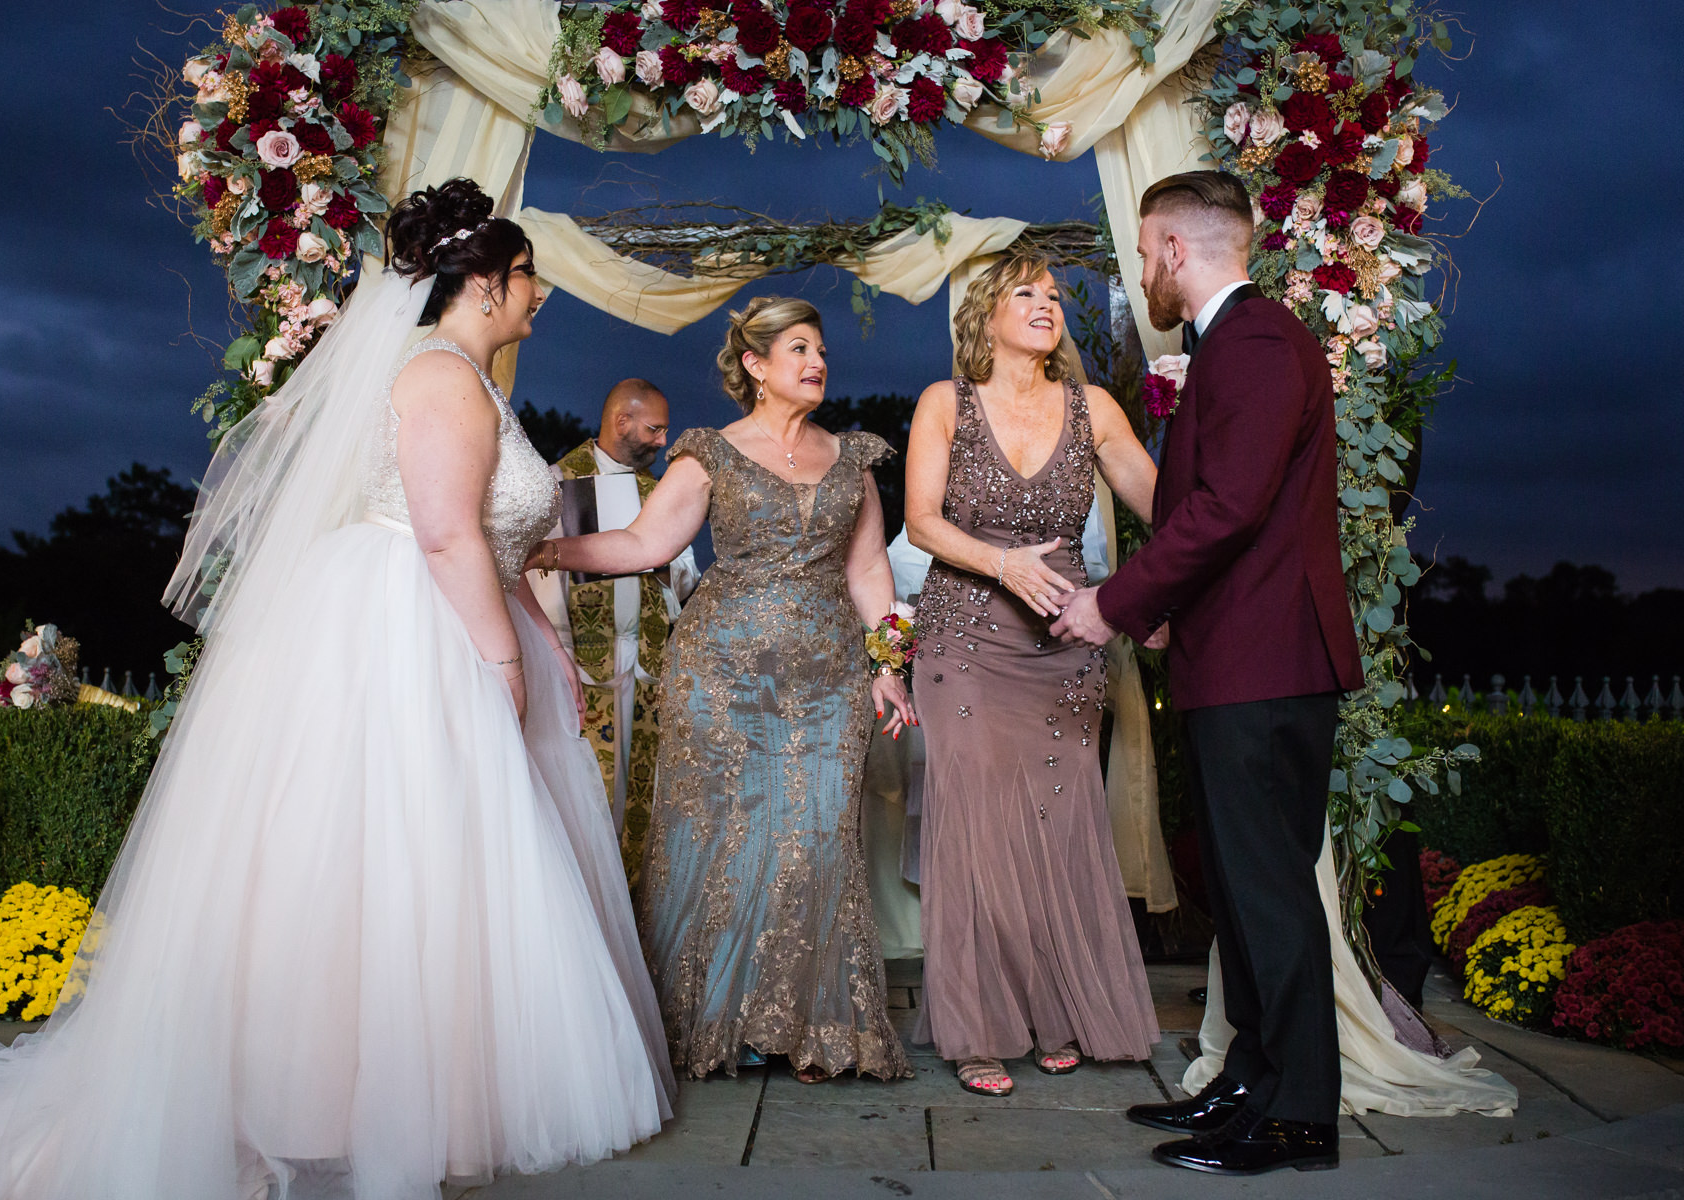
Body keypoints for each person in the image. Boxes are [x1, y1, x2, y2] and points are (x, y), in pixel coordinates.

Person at [0, 178, 674, 1197]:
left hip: (452, 613)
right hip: (408, 632)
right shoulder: (437, 378)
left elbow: (499, 533)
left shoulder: (477, 385)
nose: (538, 298)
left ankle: (440, 1090)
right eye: (529, 280)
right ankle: (333, 1099)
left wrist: (538, 633)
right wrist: (504, 660)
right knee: (383, 861)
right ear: (481, 284)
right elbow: (442, 533)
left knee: (442, 867)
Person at [1052, 169, 1365, 1175]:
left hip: (1267, 662)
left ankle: (1301, 1116)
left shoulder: (1260, 341)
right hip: (1238, 656)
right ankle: (1254, 1084)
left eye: (1145, 252)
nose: (1144, 270)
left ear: (1176, 251)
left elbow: (1227, 509)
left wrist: (1114, 602)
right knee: (1241, 890)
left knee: (1268, 892)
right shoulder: (1230, 346)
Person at [526, 296, 916, 1085]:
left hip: (829, 677)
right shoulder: (711, 453)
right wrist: (543, 550)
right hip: (724, 677)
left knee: (814, 840)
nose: (817, 363)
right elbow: (644, 542)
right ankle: (712, 1021)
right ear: (755, 365)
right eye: (799, 349)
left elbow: (870, 572)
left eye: (822, 350)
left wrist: (890, 665)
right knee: (719, 843)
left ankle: (812, 1023)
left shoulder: (853, 459)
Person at [903, 252, 1162, 1100]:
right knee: (975, 829)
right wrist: (1002, 563)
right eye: (1026, 293)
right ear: (985, 315)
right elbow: (922, 522)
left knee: (1057, 830)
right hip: (966, 641)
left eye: (1054, 295)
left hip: (1063, 648)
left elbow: (1170, 509)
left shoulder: (1094, 411)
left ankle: (1055, 1016)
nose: (1046, 304)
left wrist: (1152, 596)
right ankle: (976, 1027)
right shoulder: (947, 404)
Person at [530, 379, 700, 885]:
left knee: (642, 796)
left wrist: (662, 558)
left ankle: (635, 902)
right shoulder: (558, 481)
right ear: (622, 420)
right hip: (581, 662)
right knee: (589, 792)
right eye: (654, 428)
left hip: (649, 665)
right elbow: (538, 575)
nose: (662, 442)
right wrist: (554, 650)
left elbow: (686, 573)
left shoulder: (661, 492)